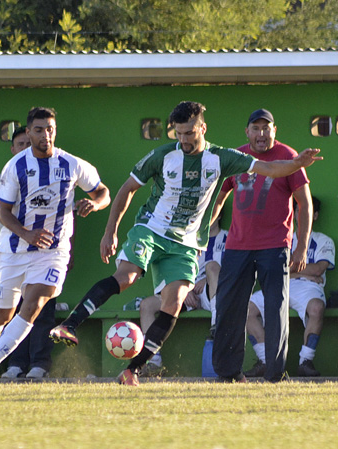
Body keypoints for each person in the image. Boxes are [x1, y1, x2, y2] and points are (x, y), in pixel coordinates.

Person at [49, 101, 321, 386]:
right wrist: (110, 231)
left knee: (174, 302)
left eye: (189, 133)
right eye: (178, 134)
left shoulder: (222, 158)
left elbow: (270, 169)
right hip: (152, 229)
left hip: (187, 244)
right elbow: (127, 189)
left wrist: (297, 163)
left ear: (202, 128)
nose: (184, 140)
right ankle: (69, 324)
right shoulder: (163, 155)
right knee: (127, 277)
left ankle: (134, 370)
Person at [0, 107, 111, 385]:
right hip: (13, 251)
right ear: (29, 132)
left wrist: (94, 204)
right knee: (3, 314)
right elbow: (3, 213)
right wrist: (27, 234)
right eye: (39, 130)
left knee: (35, 304)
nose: (46, 135)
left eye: (50, 129)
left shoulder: (72, 164)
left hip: (53, 252)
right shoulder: (15, 167)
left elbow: (103, 192)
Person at [212, 108, 314, 383]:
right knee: (228, 306)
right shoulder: (237, 157)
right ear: (247, 132)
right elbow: (218, 198)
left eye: (266, 128)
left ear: (274, 131)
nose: (261, 134)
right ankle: (229, 372)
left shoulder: (288, 156)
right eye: (255, 128)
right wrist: (203, 230)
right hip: (237, 246)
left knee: (276, 308)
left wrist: (301, 247)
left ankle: (274, 374)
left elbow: (305, 203)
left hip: (274, 246)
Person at [0, 125, 57, 379]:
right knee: (10, 311)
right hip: (12, 255)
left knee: (41, 308)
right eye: (21, 144)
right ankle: (14, 364)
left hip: (45, 254)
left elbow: (69, 216)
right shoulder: (4, 177)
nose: (26, 147)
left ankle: (39, 364)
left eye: (29, 142)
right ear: (13, 149)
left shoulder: (56, 171)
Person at [244, 196, 335, 378]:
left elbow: (318, 269)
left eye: (306, 212)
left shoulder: (323, 240)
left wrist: (294, 270)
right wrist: (302, 272)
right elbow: (272, 269)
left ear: (314, 215)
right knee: (247, 308)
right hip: (280, 283)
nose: (300, 216)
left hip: (308, 288)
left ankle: (305, 361)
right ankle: (264, 361)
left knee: (317, 308)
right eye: (297, 211)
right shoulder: (280, 237)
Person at [138, 210, 227, 377]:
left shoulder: (229, 238)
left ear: (219, 215)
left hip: (214, 293)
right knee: (147, 305)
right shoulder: (190, 240)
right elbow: (178, 269)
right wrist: (186, 288)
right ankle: (153, 362)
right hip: (190, 292)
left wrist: (207, 280)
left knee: (212, 266)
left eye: (212, 212)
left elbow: (235, 271)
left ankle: (217, 325)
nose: (207, 217)